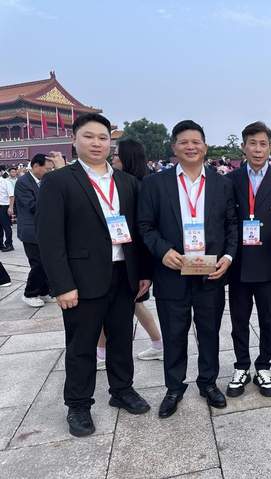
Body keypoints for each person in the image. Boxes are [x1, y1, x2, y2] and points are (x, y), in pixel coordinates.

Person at [37, 113, 152, 438]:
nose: (97, 143)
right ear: (74, 140)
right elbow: (50, 238)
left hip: (123, 274)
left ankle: (122, 390)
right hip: (82, 279)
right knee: (82, 344)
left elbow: (138, 232)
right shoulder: (59, 182)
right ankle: (78, 404)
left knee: (121, 339)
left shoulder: (127, 182)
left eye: (103, 138)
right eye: (89, 136)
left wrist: (143, 273)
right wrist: (62, 285)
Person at [138, 120, 238, 418]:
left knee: (209, 332)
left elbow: (232, 226)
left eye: (196, 142)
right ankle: (174, 387)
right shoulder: (155, 184)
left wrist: (228, 257)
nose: (190, 147)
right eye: (184, 142)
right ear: (174, 147)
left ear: (205, 147)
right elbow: (145, 226)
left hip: (210, 272)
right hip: (172, 271)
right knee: (174, 333)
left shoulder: (222, 183)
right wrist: (163, 251)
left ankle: (208, 382)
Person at [226, 121, 271, 398]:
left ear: (270, 148)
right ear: (243, 147)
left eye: (263, 144)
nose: (258, 149)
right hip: (239, 263)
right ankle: (241, 365)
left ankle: (263, 365)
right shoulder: (231, 180)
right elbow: (224, 218)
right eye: (252, 144)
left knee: (269, 319)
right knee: (239, 319)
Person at [95, 139, 164, 368]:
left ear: (127, 158)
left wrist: (144, 270)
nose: (113, 158)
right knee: (133, 305)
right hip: (128, 256)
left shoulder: (135, 185)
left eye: (116, 155)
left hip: (132, 258)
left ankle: (102, 353)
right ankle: (156, 344)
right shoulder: (129, 181)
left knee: (126, 305)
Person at [14, 154, 55, 307]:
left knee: (47, 262)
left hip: (44, 230)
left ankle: (44, 291)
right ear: (36, 166)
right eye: (47, 169)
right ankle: (29, 293)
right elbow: (32, 206)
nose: (49, 172)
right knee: (38, 263)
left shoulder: (45, 181)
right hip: (30, 230)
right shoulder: (23, 182)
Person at [0, 173, 14, 252]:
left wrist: (11, 207)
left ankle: (9, 244)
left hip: (4, 207)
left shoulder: (6, 182)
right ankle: (1, 245)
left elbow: (12, 196)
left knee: (6, 227)